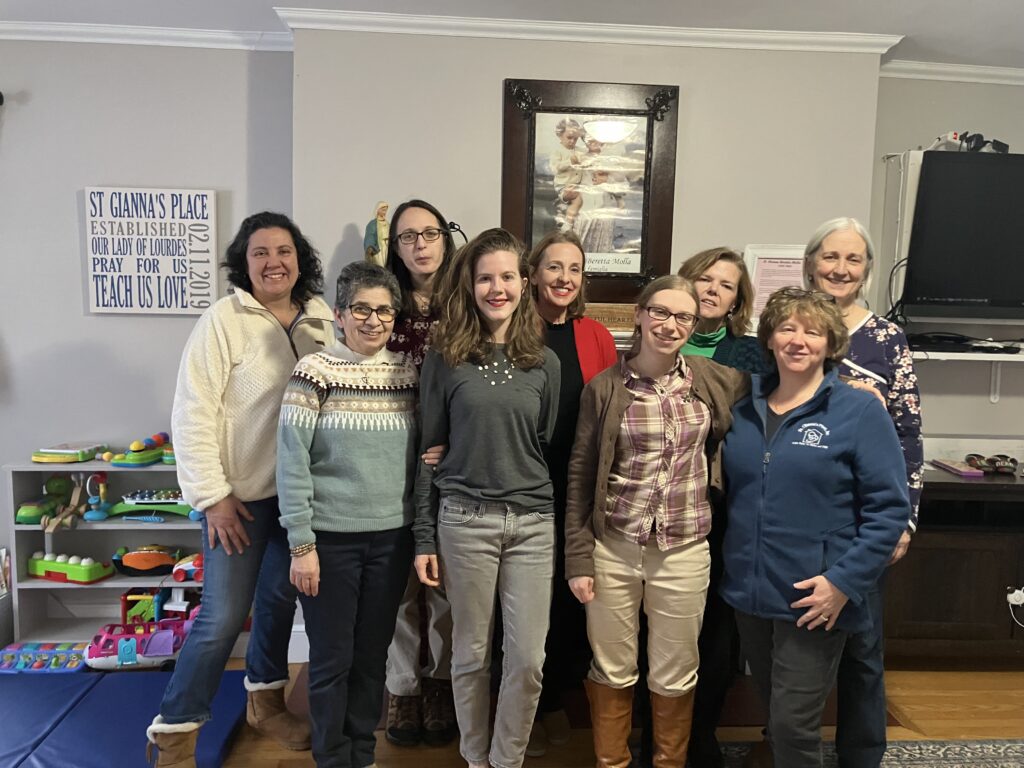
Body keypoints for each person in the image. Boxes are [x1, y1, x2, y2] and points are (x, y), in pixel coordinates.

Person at [147, 212, 334, 766]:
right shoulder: (221, 321)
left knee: (278, 603)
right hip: (238, 499)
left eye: (284, 250)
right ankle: (174, 735)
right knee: (222, 617)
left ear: (300, 258)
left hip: (298, 498)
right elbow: (193, 412)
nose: (273, 262)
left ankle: (265, 702)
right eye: (260, 252)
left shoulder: (322, 317)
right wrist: (211, 496)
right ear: (243, 262)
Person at [720, 287, 909, 768]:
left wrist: (843, 584)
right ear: (769, 339)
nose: (798, 340)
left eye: (812, 331)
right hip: (750, 593)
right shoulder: (743, 409)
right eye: (787, 328)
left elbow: (889, 509)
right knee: (775, 714)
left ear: (831, 343)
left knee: (793, 727)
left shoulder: (859, 410)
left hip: (816, 597)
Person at [565, 275, 747, 768]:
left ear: (694, 324)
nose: (670, 325)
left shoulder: (713, 379)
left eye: (683, 317)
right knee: (612, 669)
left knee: (676, 674)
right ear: (641, 316)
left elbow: (777, 389)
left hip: (685, 549)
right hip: (614, 548)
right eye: (661, 313)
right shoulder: (603, 390)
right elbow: (582, 476)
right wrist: (578, 558)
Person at [413, 227, 561, 768]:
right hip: (464, 520)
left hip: (532, 524)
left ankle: (507, 759)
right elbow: (430, 450)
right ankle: (477, 759)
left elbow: (539, 442)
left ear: (523, 283)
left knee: (527, 660)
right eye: (484, 278)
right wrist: (424, 536)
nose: (496, 288)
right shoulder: (446, 358)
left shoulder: (546, 364)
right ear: (469, 285)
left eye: (506, 277)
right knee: (471, 655)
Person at [276, 262, 418, 768]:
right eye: (362, 308)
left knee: (371, 658)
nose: (374, 320)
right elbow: (291, 463)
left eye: (384, 310)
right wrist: (302, 545)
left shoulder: (407, 373)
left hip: (392, 541)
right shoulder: (313, 373)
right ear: (339, 314)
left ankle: (363, 752)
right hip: (329, 543)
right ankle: (333, 757)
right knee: (331, 660)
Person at [803, 217, 923, 768]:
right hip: (799, 511)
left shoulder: (885, 339)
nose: (840, 269)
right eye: (831, 257)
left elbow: (908, 433)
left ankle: (861, 757)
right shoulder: (790, 322)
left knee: (863, 650)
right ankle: (783, 746)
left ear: (867, 269)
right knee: (790, 646)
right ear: (812, 262)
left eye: (853, 260)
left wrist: (905, 520)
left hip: (863, 519)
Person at [675, 247, 772, 768]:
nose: (712, 289)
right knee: (662, 626)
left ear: (738, 300)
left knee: (716, 625)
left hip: (726, 507)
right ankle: (660, 733)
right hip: (662, 507)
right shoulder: (657, 340)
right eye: (704, 278)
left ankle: (702, 732)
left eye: (726, 285)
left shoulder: (751, 355)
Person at [524, 230, 618, 756]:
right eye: (554, 267)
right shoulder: (513, 329)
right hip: (525, 485)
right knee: (522, 599)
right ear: (533, 273)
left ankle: (554, 697)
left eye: (574, 269)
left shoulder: (595, 335)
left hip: (578, 486)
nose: (563, 278)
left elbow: (608, 412)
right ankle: (519, 701)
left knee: (568, 597)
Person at [383, 198, 461, 747]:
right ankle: (402, 688)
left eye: (429, 233)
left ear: (444, 239)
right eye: (408, 236)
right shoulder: (380, 304)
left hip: (450, 457)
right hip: (389, 454)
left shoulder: (466, 305)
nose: (420, 245)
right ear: (395, 246)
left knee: (445, 581)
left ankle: (440, 684)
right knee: (399, 585)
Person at [549, 118, 584, 230]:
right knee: (577, 200)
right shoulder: (557, 151)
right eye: (569, 137)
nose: (572, 141)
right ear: (560, 135)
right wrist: (570, 162)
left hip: (576, 184)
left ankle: (566, 219)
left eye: (575, 139)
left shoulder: (579, 150)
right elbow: (555, 168)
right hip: (563, 185)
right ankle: (567, 224)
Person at [364, 200, 389, 266]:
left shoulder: (387, 223)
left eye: (386, 210)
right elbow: (370, 236)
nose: (385, 212)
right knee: (379, 266)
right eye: (383, 210)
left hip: (387, 248)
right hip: (378, 249)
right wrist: (370, 246)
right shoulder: (372, 224)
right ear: (378, 210)